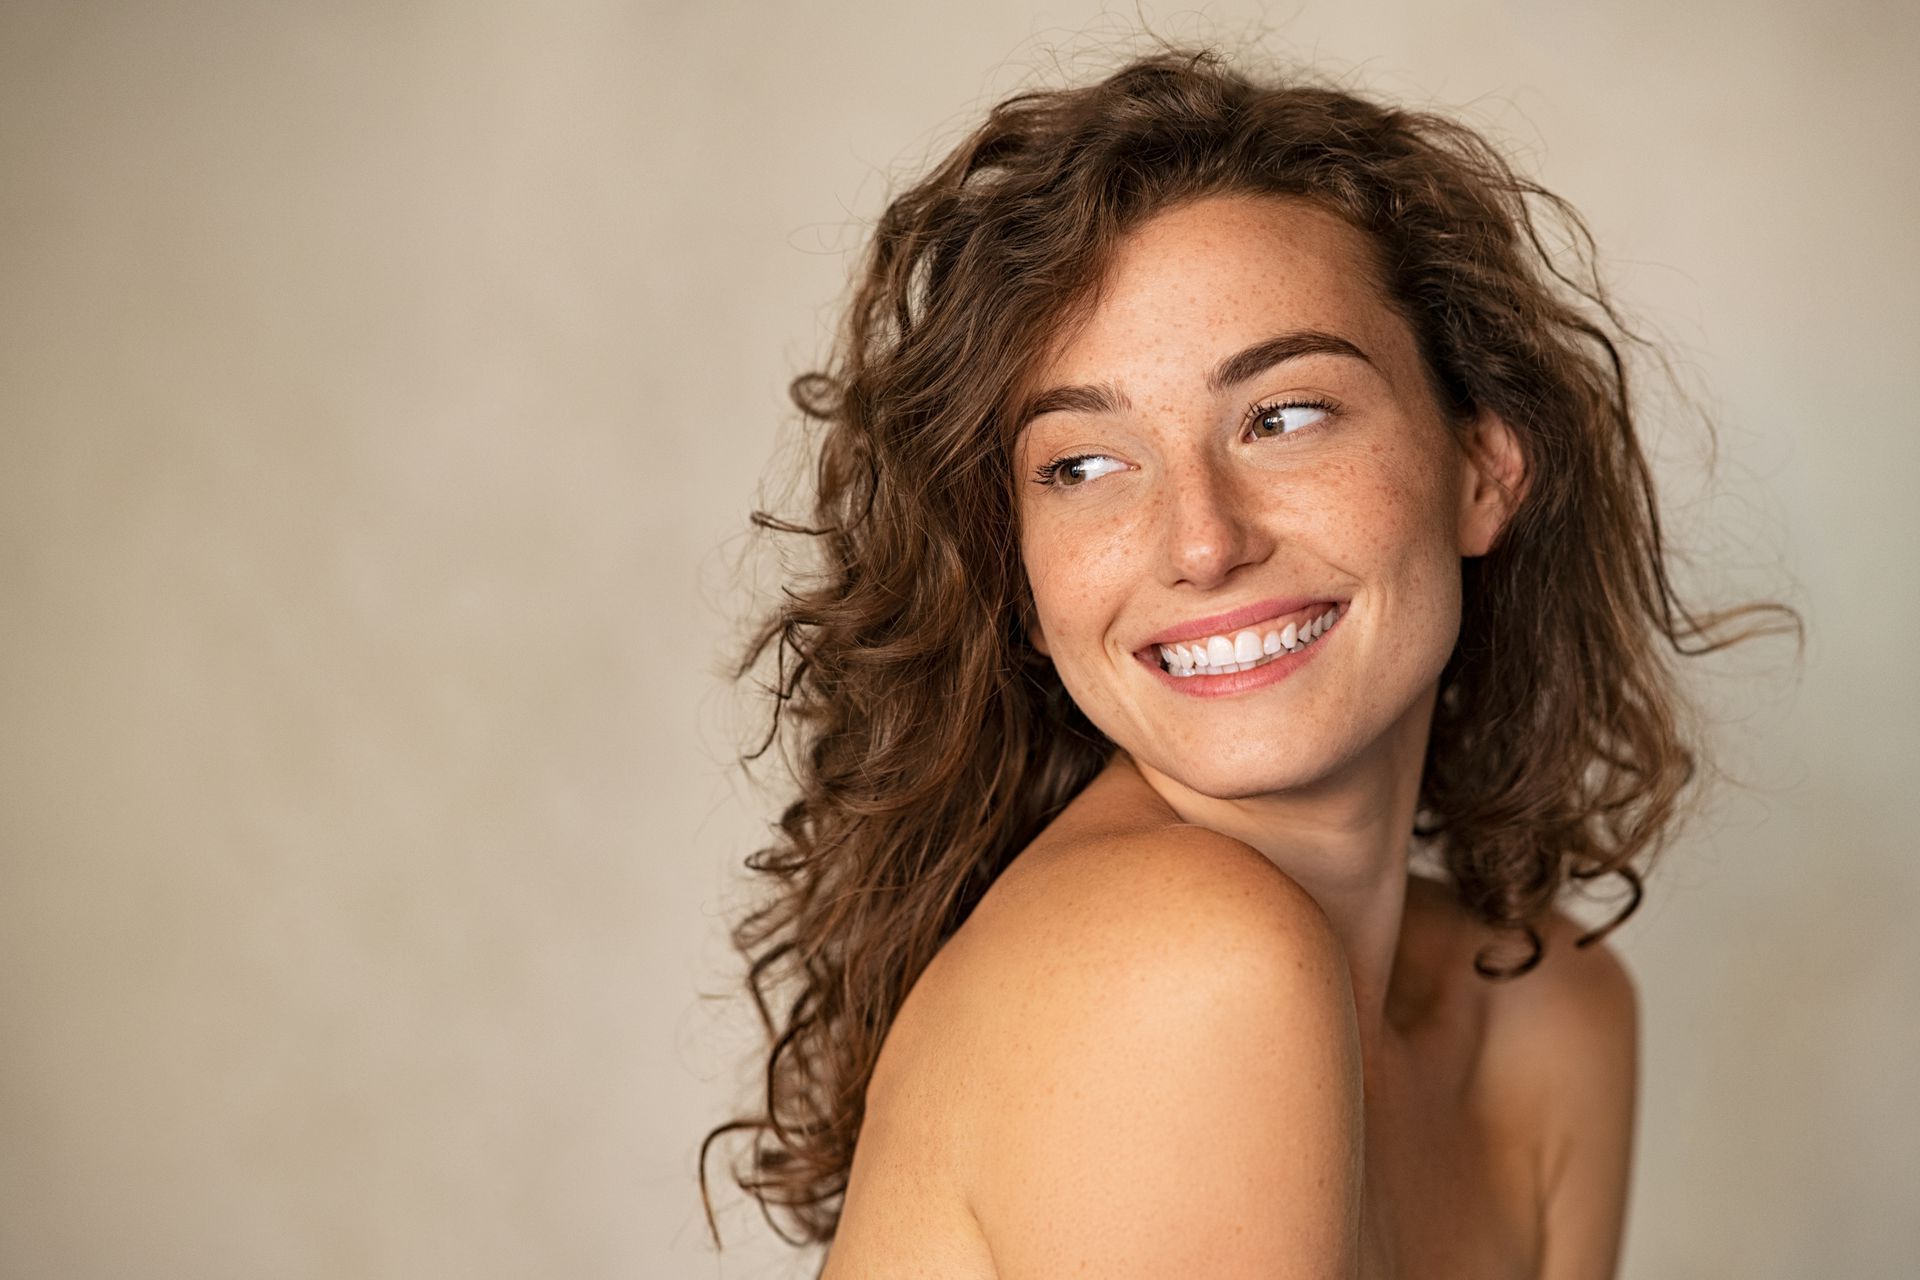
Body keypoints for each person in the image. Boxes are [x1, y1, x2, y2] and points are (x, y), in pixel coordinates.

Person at [699, 45, 1794, 1278]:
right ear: (1019, 565)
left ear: (1483, 465)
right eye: (1085, 463)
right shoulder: (1185, 964)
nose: (1204, 542)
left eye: (1282, 416)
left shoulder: (1552, 1013)